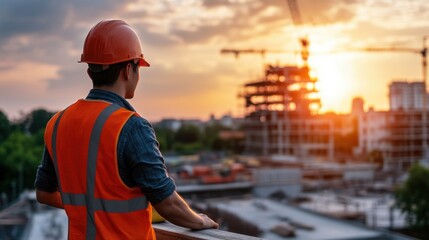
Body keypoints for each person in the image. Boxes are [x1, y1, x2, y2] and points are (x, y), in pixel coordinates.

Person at [34, 19, 218, 240]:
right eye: (139, 67)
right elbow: (167, 202)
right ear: (129, 70)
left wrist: (92, 209)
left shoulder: (58, 123)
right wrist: (199, 221)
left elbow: (44, 193)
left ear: (90, 72)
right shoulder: (131, 126)